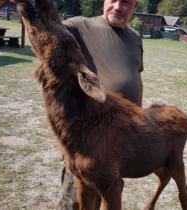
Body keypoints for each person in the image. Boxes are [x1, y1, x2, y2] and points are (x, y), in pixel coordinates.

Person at [57, 0, 143, 209]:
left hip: (120, 137)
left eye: (125, 3)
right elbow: (47, 30)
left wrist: (139, 115)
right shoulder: (80, 26)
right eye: (112, 0)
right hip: (88, 138)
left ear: (135, 7)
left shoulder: (136, 38)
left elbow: (137, 77)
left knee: (110, 192)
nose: (117, 7)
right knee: (76, 200)